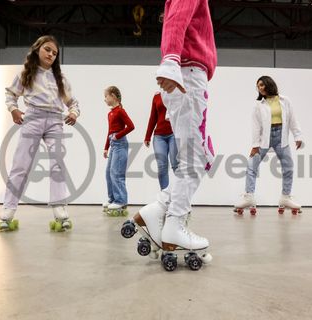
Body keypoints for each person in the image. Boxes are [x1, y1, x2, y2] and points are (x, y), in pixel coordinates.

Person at [121, 0, 216, 271]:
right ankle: (174, 225)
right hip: (188, 74)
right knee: (194, 162)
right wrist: (172, 62)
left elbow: (174, 18)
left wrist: (174, 63)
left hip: (187, 74)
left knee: (200, 156)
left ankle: (156, 210)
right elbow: (175, 19)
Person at [0, 35, 80, 232]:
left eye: (54, 52)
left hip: (55, 121)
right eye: (47, 49)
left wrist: (73, 112)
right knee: (21, 165)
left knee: (57, 163)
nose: (51, 54)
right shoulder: (26, 73)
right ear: (37, 49)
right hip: (32, 118)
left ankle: (60, 208)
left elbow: (73, 103)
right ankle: (7, 211)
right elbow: (11, 94)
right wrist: (13, 109)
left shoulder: (60, 78)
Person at [233, 76, 303, 215]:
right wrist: (255, 145)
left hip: (281, 137)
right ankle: (249, 197)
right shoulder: (259, 105)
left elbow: (292, 119)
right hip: (264, 139)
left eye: (262, 85)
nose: (260, 88)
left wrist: (297, 136)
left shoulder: (285, 100)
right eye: (258, 86)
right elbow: (256, 126)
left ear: (269, 84)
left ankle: (285, 197)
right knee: (251, 166)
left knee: (288, 167)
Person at [103, 86, 135, 216]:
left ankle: (121, 200)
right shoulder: (110, 113)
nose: (104, 99)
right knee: (108, 172)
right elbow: (109, 131)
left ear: (113, 96)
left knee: (117, 173)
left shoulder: (120, 111)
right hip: (113, 143)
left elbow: (131, 126)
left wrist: (118, 136)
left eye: (106, 96)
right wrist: (106, 147)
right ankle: (112, 199)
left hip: (120, 144)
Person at [144, 92, 178, 191]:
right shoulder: (156, 96)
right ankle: (165, 196)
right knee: (162, 166)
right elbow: (153, 117)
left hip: (174, 134)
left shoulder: (177, 94)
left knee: (175, 164)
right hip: (159, 136)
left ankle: (179, 195)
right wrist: (147, 136)